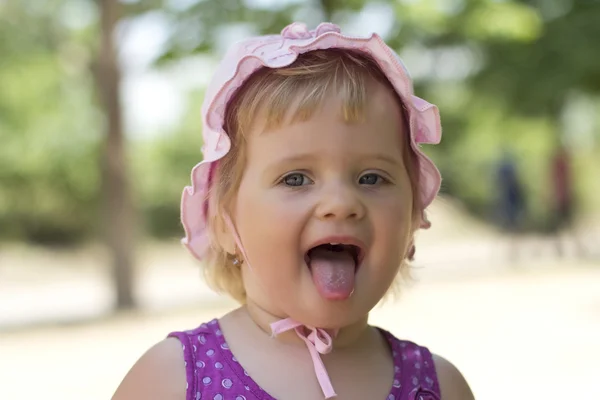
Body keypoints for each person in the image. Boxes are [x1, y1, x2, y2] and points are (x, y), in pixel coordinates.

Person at [112, 22, 474, 400]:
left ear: (414, 218)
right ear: (223, 223)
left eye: (371, 178)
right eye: (296, 179)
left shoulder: (440, 386)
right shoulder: (172, 380)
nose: (341, 204)